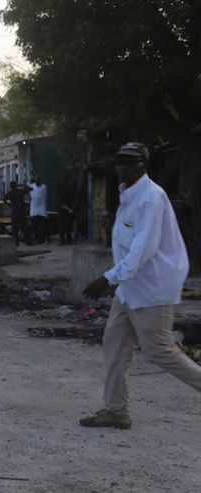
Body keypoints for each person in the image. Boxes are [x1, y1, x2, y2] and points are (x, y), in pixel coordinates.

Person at [80, 142, 196, 429]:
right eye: (120, 161)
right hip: (130, 288)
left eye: (130, 162)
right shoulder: (130, 195)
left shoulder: (150, 198)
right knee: (115, 344)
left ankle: (116, 409)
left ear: (143, 165)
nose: (122, 167)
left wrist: (107, 278)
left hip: (152, 289)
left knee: (159, 351)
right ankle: (116, 411)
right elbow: (134, 240)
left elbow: (143, 251)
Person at [4, 181, 33, 247]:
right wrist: (22, 185)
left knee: (15, 228)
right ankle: (27, 241)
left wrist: (10, 205)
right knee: (24, 227)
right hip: (21, 212)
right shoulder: (20, 191)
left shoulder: (10, 193)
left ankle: (16, 243)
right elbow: (30, 188)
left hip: (15, 212)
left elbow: (4, 200)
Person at [57, 173, 76, 245]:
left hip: (63, 208)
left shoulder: (60, 186)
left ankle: (63, 241)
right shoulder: (70, 186)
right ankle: (68, 240)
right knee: (68, 225)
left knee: (62, 226)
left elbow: (60, 201)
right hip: (69, 208)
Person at [29, 176, 48, 244]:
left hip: (42, 206)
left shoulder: (44, 187)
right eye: (36, 180)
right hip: (34, 207)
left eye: (39, 180)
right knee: (34, 224)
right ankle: (36, 237)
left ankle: (42, 238)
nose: (37, 181)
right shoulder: (31, 186)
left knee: (43, 224)